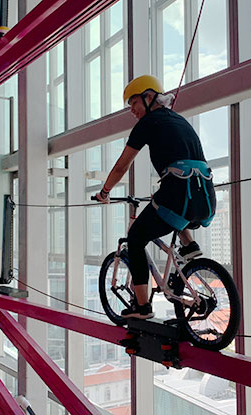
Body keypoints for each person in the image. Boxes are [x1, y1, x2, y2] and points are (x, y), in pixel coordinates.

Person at [94, 75, 216, 319]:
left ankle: (142, 307)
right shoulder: (181, 120)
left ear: (149, 98)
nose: (133, 111)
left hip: (178, 196)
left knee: (136, 238)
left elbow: (121, 166)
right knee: (161, 201)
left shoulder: (148, 123)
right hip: (204, 199)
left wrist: (104, 192)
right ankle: (189, 244)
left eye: (134, 104)